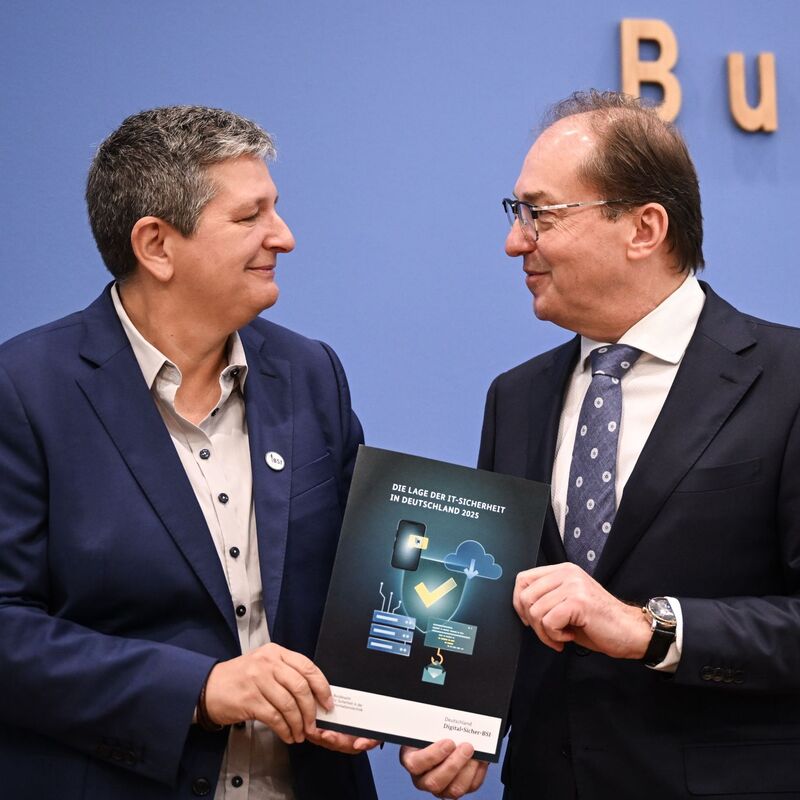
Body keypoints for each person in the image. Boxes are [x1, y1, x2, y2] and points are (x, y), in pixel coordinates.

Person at [401, 90, 800, 799]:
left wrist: (651, 629)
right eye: (516, 213)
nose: (515, 241)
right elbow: (503, 609)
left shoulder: (788, 379)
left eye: (541, 214)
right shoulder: (515, 397)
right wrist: (462, 725)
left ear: (644, 228)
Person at [0, 106, 377, 800]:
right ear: (156, 245)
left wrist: (428, 715)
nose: (284, 236)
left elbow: (366, 577)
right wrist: (198, 689)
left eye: (275, 210)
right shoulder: (25, 390)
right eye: (250, 217)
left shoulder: (310, 373)